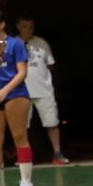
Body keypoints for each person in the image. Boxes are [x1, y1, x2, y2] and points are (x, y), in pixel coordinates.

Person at [0, 9, 35, 186]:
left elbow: (22, 73)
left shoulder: (15, 44)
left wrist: (5, 91)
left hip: (15, 95)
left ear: (2, 24)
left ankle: (27, 183)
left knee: (19, 137)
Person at [14, 18, 68, 165]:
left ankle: (57, 153)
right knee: (22, 126)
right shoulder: (12, 43)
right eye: (24, 26)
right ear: (18, 26)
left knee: (52, 123)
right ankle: (24, 158)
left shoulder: (42, 43)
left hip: (43, 90)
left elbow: (51, 65)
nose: (28, 30)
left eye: (31, 27)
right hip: (21, 91)